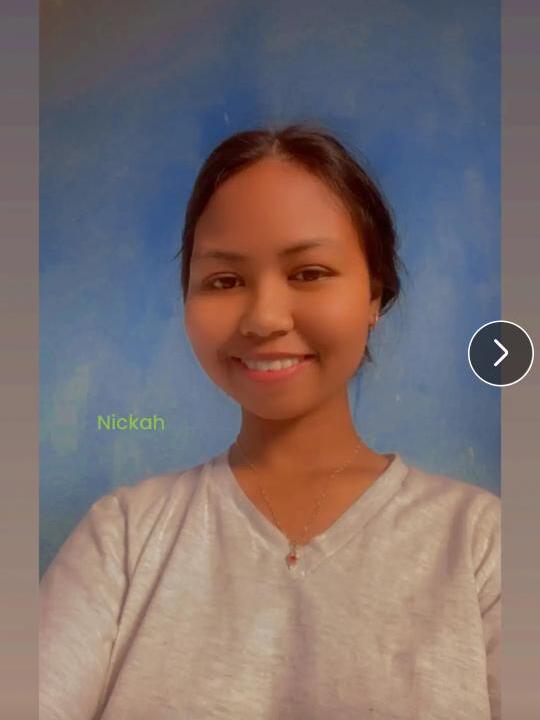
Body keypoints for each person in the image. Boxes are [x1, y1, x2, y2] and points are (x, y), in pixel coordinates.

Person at [39, 124, 500, 720]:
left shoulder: (483, 545)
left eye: (308, 272)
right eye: (224, 281)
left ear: (373, 295)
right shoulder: (122, 539)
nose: (264, 318)